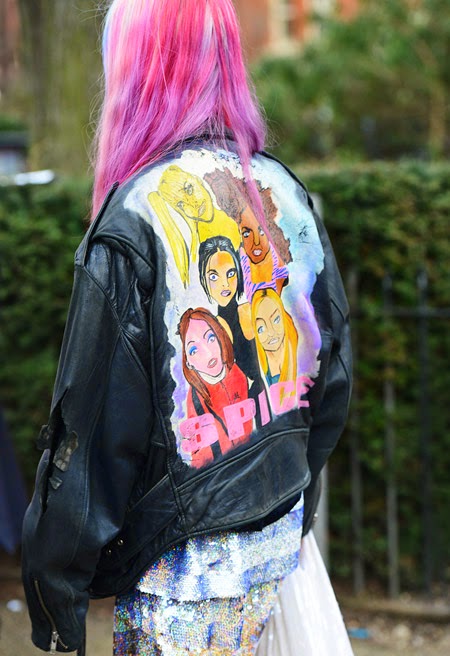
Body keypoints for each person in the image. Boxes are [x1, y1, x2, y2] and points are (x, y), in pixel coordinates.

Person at [21, 1, 352, 655]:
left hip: (181, 578)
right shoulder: (280, 190)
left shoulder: (134, 218)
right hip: (271, 550)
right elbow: (329, 380)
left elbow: (93, 432)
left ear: (137, 68)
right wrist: (286, 498)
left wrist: (54, 589)